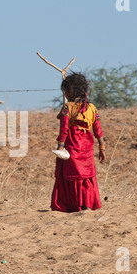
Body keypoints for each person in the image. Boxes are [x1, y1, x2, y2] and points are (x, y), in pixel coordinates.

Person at [51, 72, 106, 212]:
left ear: (70, 91)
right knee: (86, 176)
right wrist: (102, 148)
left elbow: (64, 130)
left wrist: (60, 147)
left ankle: (71, 206)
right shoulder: (92, 108)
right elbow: (98, 130)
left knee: (70, 175)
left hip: (71, 146)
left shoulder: (67, 108)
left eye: (65, 91)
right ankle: (86, 204)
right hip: (87, 148)